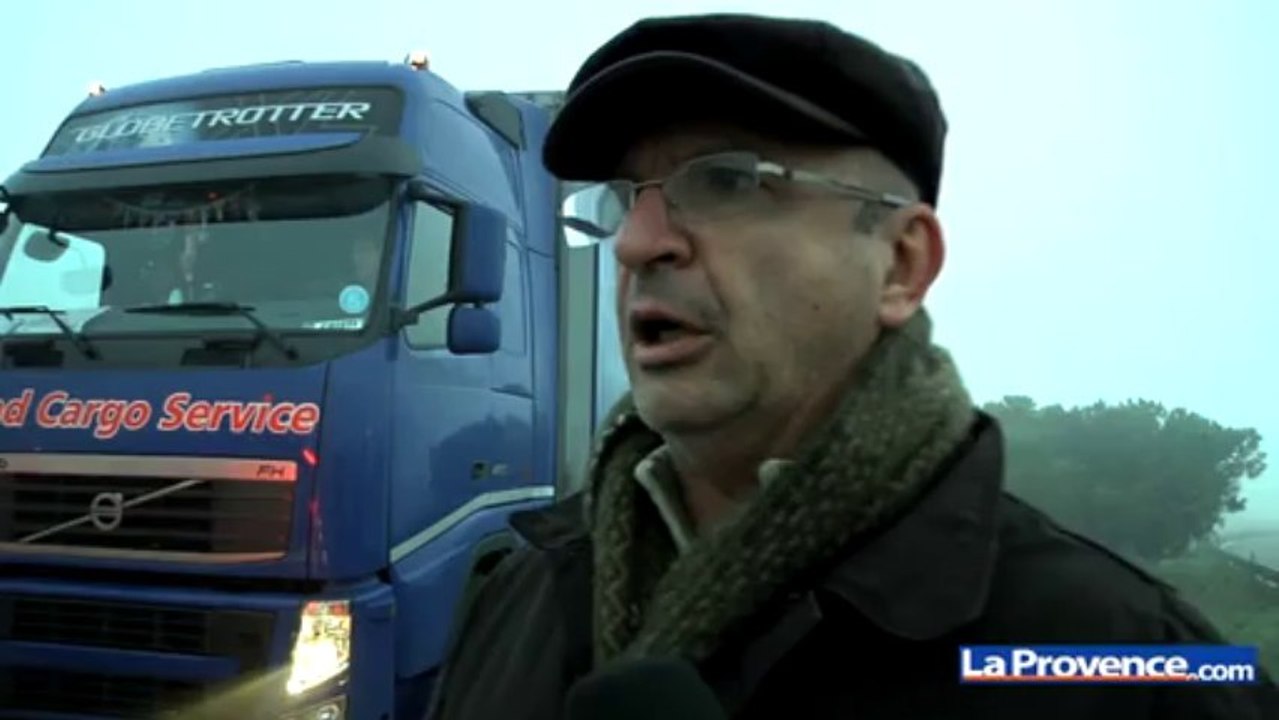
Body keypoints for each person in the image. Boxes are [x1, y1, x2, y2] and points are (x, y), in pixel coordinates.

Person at [424, 13, 1279, 720]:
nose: (640, 243)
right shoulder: (518, 591)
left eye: (725, 182)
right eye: (621, 198)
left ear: (901, 264)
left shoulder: (1129, 661)